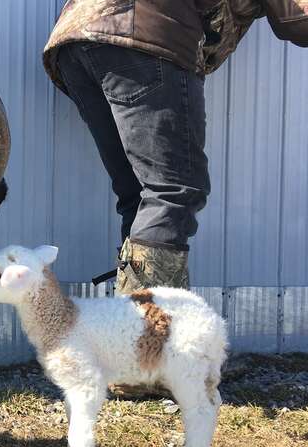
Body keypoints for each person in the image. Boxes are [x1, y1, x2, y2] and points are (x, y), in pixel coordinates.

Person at [42, 0, 308, 295]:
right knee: (172, 191)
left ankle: (126, 325)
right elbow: (296, 19)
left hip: (76, 40)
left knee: (140, 195)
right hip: (144, 34)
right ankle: (150, 330)